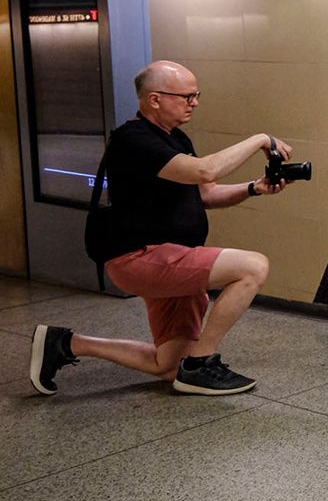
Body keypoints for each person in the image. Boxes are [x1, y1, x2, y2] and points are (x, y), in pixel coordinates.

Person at [28, 60, 294, 396]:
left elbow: (206, 194)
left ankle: (65, 343)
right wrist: (258, 138)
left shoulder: (175, 138)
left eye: (196, 95)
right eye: (187, 96)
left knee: (168, 365)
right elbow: (203, 172)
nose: (194, 102)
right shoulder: (133, 139)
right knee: (253, 267)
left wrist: (254, 187)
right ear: (154, 99)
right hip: (140, 256)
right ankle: (200, 364)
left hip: (175, 257)